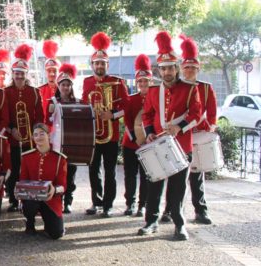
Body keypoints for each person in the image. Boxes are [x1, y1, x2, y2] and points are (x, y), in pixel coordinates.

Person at [138, 31, 201, 241]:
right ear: (159, 70)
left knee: (177, 189)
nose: (167, 72)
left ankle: (179, 224)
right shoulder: (154, 91)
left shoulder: (190, 89)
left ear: (177, 68)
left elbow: (196, 113)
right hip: (157, 145)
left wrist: (179, 127)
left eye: (170, 68)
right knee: (154, 186)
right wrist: (149, 134)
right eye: (163, 68)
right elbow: (147, 115)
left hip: (181, 145)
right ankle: (151, 222)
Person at [161, 37, 216, 225]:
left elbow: (212, 116)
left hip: (197, 137)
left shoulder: (206, 88)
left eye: (193, 68)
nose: (189, 71)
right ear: (181, 69)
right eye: (186, 68)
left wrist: (205, 131)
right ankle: (170, 210)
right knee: (174, 176)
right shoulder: (177, 88)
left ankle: (201, 210)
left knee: (196, 177)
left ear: (198, 69)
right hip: (179, 137)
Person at [81, 32, 129, 217]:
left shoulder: (118, 82)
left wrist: (113, 114)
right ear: (92, 65)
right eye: (97, 63)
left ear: (107, 65)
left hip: (110, 134)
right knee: (93, 170)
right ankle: (96, 202)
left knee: (110, 171)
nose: (99, 66)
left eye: (103, 63)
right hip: (94, 134)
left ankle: (108, 204)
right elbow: (85, 104)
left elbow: (126, 107)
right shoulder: (87, 82)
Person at [4, 44, 44, 212]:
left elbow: (40, 117)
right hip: (13, 138)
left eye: (22, 73)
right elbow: (4, 116)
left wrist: (35, 134)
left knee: (29, 170)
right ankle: (13, 199)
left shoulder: (34, 92)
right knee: (13, 170)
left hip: (30, 140)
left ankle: (28, 199)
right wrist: (11, 129)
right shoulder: (6, 92)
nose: (19, 76)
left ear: (26, 74)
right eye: (16, 73)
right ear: (12, 74)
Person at [20, 123, 68, 240]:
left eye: (42, 134)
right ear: (33, 138)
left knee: (56, 234)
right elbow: (23, 182)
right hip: (32, 199)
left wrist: (54, 190)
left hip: (50, 199)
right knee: (29, 204)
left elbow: (63, 186)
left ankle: (50, 224)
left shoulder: (60, 159)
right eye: (36, 135)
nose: (39, 137)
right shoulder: (26, 157)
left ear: (49, 136)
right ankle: (30, 223)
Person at [45, 63, 80, 214]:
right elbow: (47, 123)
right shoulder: (52, 102)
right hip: (56, 142)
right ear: (58, 86)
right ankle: (56, 198)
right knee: (56, 172)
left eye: (68, 85)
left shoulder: (78, 102)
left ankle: (68, 201)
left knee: (70, 173)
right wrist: (51, 113)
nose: (65, 87)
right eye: (63, 85)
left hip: (71, 143)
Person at [122, 55, 152, 217]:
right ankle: (130, 204)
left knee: (146, 175)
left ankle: (143, 205)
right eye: (140, 81)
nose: (142, 84)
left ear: (150, 81)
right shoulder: (131, 99)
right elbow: (127, 120)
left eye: (145, 81)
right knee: (130, 175)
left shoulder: (155, 99)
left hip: (148, 144)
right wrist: (136, 137)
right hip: (131, 143)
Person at [38, 40, 60, 116]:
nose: (52, 73)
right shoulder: (39, 90)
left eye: (54, 70)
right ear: (45, 72)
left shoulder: (63, 89)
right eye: (49, 71)